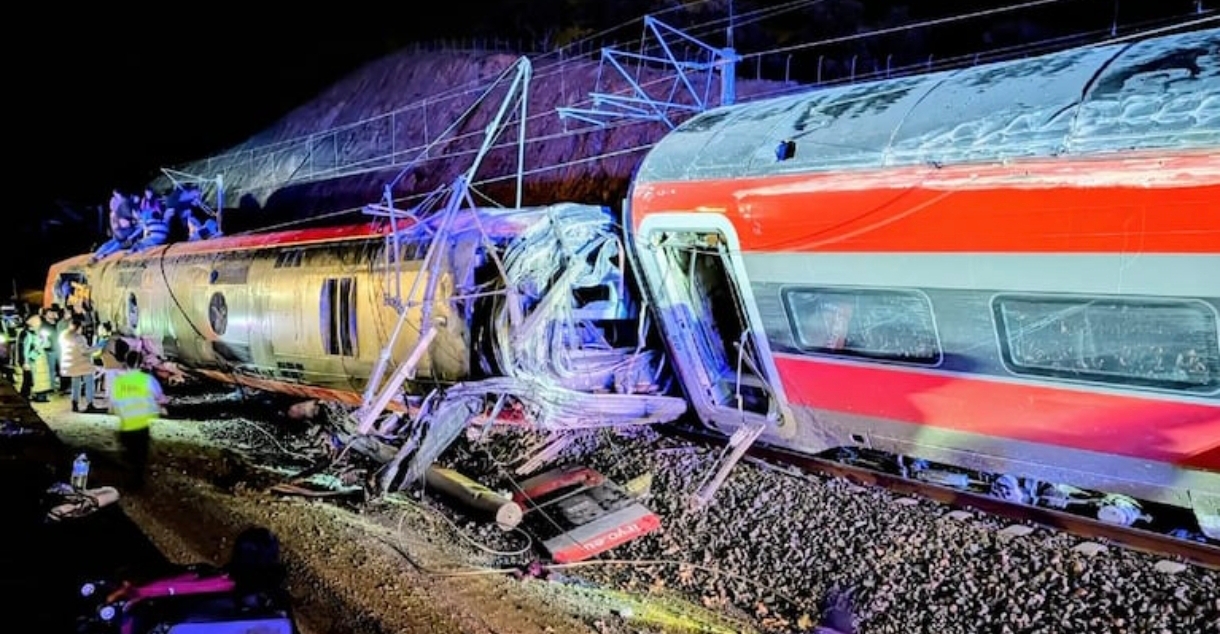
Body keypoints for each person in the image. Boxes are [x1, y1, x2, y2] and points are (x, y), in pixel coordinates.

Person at [109, 350, 166, 490]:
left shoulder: (118, 382)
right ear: (141, 363)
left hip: (126, 425)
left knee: (128, 455)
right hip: (141, 425)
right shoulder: (146, 379)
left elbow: (113, 404)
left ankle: (128, 480)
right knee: (140, 457)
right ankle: (137, 482)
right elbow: (160, 396)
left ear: (126, 363)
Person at [59, 316, 102, 413]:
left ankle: (74, 404)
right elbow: (85, 351)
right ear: (78, 327)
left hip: (71, 365)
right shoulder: (79, 338)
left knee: (75, 385)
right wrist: (98, 346)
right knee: (89, 383)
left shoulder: (63, 336)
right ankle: (90, 404)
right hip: (82, 364)